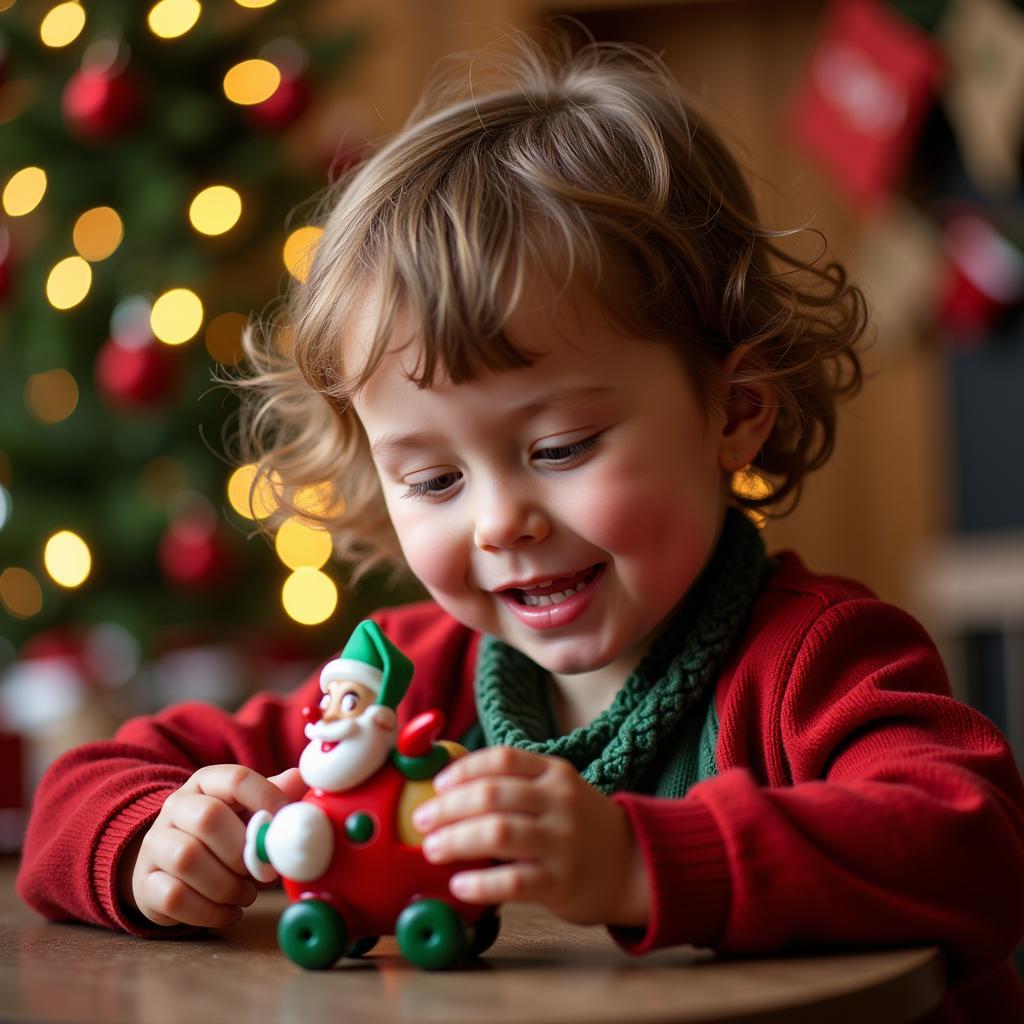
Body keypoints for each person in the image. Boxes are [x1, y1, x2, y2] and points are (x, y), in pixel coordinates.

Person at [17, 33, 1024, 1021]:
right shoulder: (401, 687)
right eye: (434, 475)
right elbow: (80, 788)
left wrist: (636, 859)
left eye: (560, 447)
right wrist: (152, 838)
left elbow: (970, 843)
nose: (501, 522)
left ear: (734, 411)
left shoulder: (815, 659)